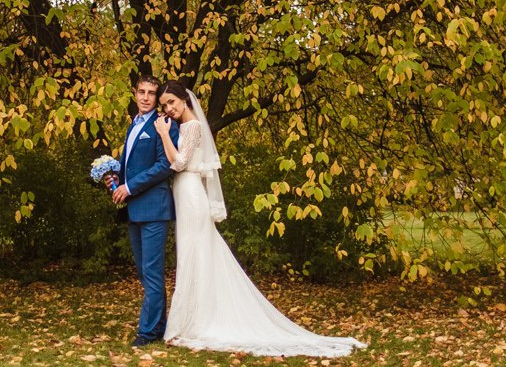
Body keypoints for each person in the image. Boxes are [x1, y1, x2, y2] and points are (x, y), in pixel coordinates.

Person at [153, 81, 366, 357]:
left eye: (172, 102)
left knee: (196, 253)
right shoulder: (183, 126)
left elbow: (179, 163)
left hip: (192, 196)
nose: (168, 108)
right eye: (165, 105)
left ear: (185, 100)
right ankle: (191, 319)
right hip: (184, 194)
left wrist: (162, 135)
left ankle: (194, 322)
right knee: (193, 254)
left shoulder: (192, 126)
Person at [108, 75, 180, 347]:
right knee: (143, 272)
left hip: (154, 209)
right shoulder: (134, 125)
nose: (146, 97)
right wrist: (114, 177)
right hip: (135, 209)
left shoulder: (164, 125)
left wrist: (129, 186)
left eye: (151, 93)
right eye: (142, 92)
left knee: (151, 272)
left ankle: (147, 333)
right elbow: (133, 164)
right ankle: (159, 326)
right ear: (135, 94)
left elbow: (164, 166)